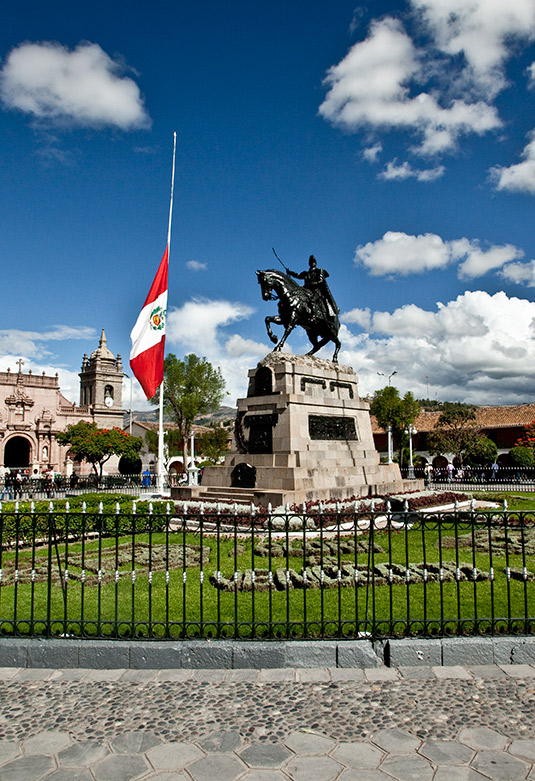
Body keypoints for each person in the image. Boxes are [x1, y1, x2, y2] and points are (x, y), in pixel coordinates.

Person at [286, 255, 339, 322]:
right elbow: (298, 276)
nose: (312, 263)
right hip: (306, 290)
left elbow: (320, 281)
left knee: (312, 299)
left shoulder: (319, 271)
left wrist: (310, 284)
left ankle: (314, 316)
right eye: (311, 262)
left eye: (313, 262)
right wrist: (290, 272)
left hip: (316, 291)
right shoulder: (306, 273)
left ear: (315, 263)